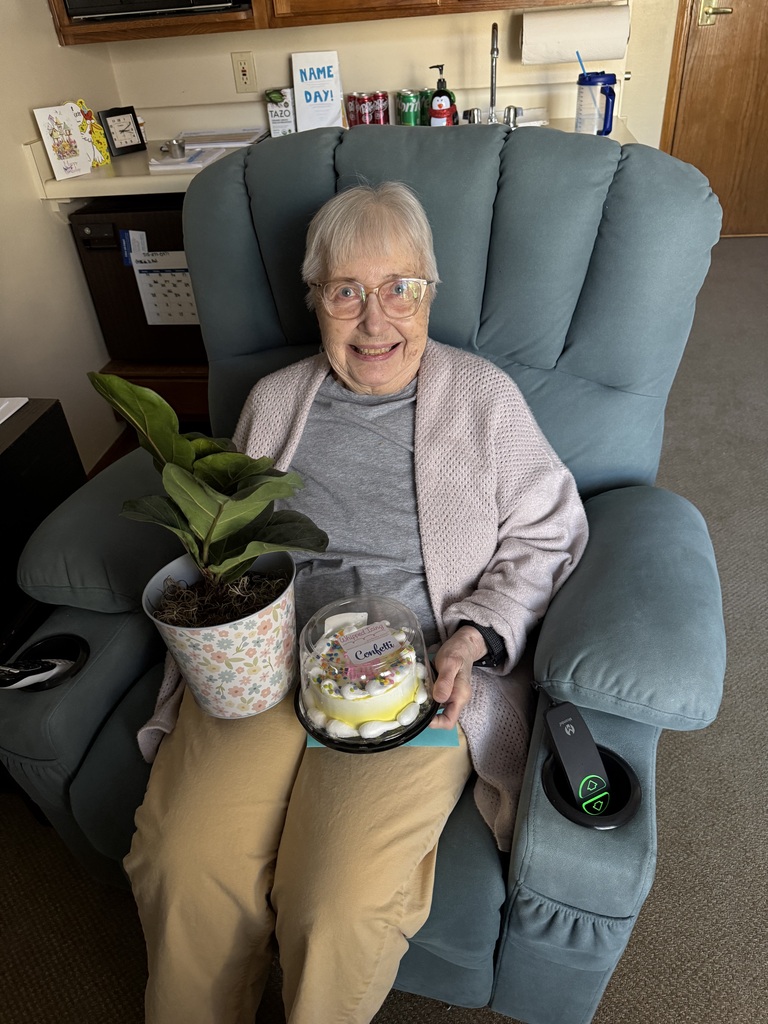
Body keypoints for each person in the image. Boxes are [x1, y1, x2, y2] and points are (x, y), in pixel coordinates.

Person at [124, 181, 589, 1024]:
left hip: (415, 678)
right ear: (315, 301)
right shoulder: (275, 402)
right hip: (268, 667)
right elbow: (228, 537)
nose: (375, 320)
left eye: (398, 289)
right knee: (182, 859)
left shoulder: (483, 400)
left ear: (429, 293)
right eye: (345, 291)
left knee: (333, 904)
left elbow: (550, 532)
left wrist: (474, 636)